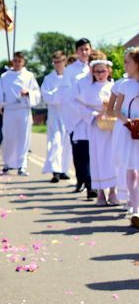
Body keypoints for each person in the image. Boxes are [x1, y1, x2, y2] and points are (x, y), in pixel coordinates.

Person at [75, 59, 117, 205]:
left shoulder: (114, 87)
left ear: (109, 71)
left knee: (113, 158)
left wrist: (110, 110)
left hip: (112, 128)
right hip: (97, 128)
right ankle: (100, 193)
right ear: (92, 72)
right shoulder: (89, 89)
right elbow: (81, 108)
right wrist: (94, 114)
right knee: (98, 158)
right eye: (97, 71)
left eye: (103, 71)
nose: (100, 74)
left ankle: (113, 191)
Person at [0, 51, 41, 175]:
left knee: (23, 138)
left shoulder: (29, 76)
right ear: (12, 62)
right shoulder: (5, 77)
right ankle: (8, 163)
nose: (17, 63)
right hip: (10, 110)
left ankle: (21, 165)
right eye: (15, 61)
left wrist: (28, 93)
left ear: (23, 62)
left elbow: (36, 93)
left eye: (20, 61)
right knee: (9, 138)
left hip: (23, 110)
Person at [110, 47, 139, 226]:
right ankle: (136, 209)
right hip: (129, 130)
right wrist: (128, 121)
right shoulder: (125, 85)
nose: (125, 65)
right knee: (133, 170)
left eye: (128, 61)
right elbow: (114, 109)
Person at [62, 38, 93, 194]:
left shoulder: (95, 67)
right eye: (81, 49)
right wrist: (80, 110)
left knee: (92, 151)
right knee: (79, 151)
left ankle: (90, 183)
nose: (84, 52)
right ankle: (81, 179)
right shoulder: (69, 70)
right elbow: (68, 95)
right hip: (76, 116)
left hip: (92, 115)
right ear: (76, 51)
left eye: (87, 49)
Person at [41, 51, 73, 183]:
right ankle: (55, 171)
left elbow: (74, 94)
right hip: (55, 114)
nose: (58, 64)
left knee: (67, 144)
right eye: (55, 62)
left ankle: (63, 169)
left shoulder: (71, 76)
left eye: (60, 61)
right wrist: (59, 95)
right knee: (55, 141)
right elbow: (46, 96)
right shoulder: (48, 78)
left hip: (69, 114)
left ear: (65, 61)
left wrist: (61, 95)